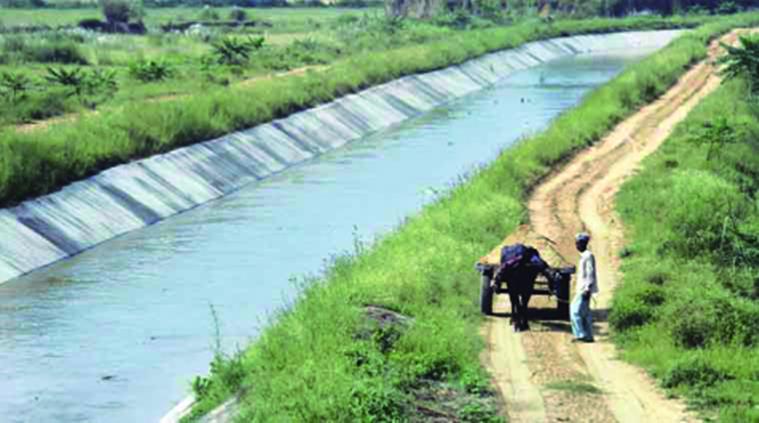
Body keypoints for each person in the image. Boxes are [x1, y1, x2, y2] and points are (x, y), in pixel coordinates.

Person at [571, 232, 598, 342]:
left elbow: (590, 273)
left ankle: (580, 335)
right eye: (576, 243)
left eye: (578, 243)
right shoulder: (584, 256)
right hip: (583, 289)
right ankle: (589, 336)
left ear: (583, 243)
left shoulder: (588, 256)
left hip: (584, 290)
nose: (576, 245)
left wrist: (587, 288)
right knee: (585, 314)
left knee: (574, 312)